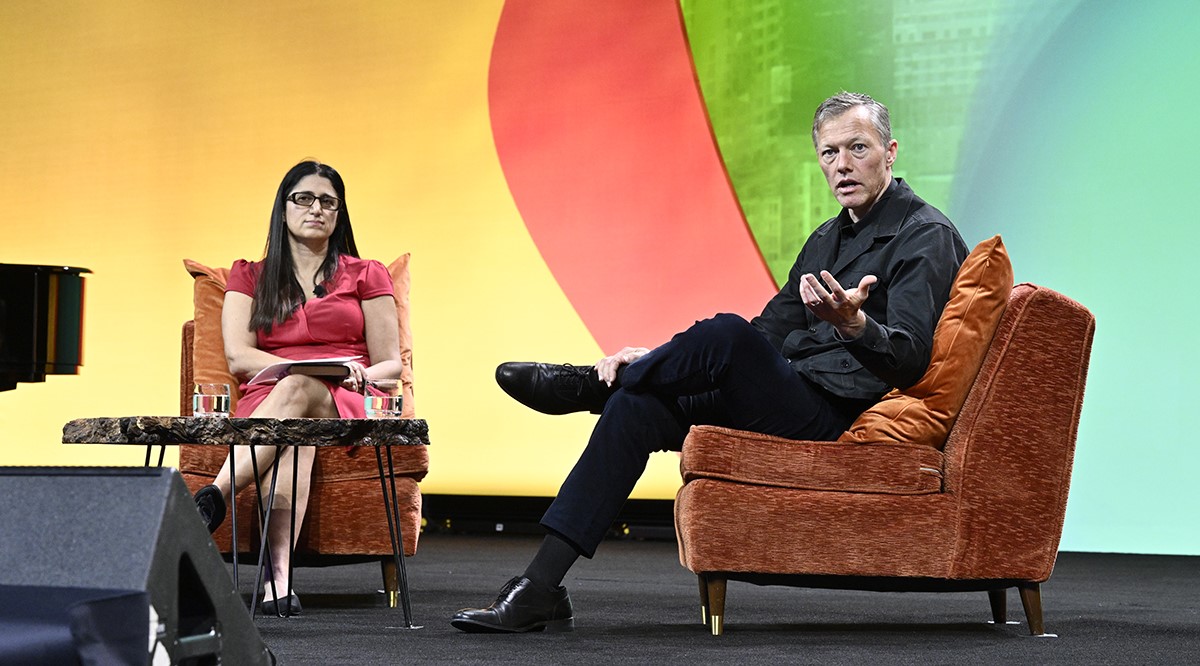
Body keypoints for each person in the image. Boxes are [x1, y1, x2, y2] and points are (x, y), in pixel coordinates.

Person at [450, 92, 969, 633]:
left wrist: (855, 326)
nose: (842, 165)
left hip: (839, 410)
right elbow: (768, 334)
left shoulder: (925, 235)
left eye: (857, 148)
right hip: (792, 391)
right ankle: (539, 589)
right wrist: (659, 362)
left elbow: (910, 360)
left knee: (725, 334)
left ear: (889, 152)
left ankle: (591, 386)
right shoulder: (826, 238)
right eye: (829, 152)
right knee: (636, 405)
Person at [192, 160, 404, 616]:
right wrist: (294, 370)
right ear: (283, 207)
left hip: (346, 396)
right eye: (304, 198)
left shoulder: (367, 273)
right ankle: (278, 585)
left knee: (302, 388)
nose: (316, 209)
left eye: (328, 202)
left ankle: (210, 501)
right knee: (294, 437)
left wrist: (354, 372)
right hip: (271, 397)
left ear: (339, 214)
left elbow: (390, 364)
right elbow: (238, 357)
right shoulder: (249, 275)